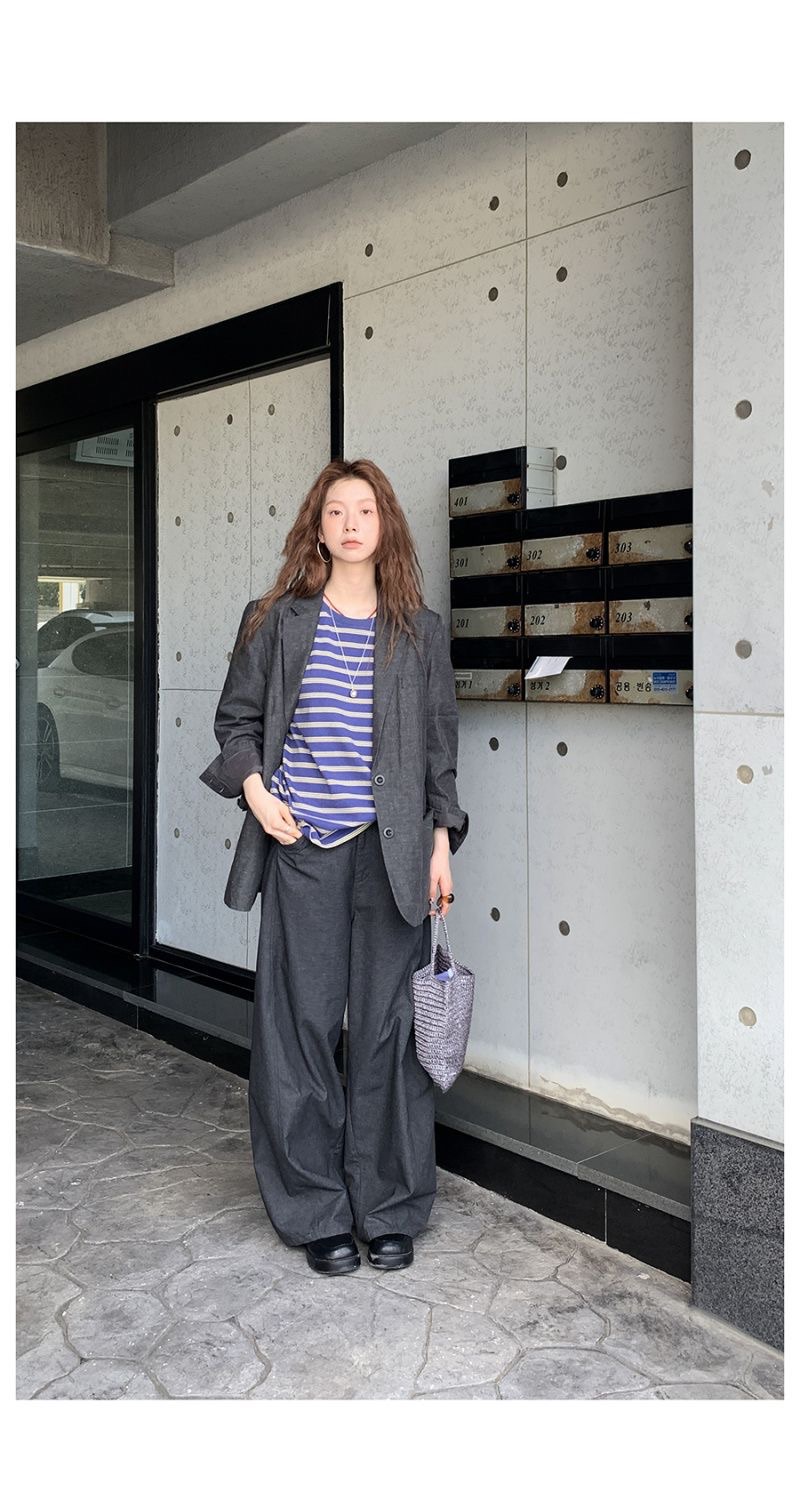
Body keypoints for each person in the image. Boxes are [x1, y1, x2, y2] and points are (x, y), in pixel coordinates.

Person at [201, 458, 469, 1276]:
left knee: (389, 1032)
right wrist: (257, 794)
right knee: (300, 1030)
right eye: (336, 511)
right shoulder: (274, 620)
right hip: (304, 851)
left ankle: (388, 1205)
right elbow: (236, 723)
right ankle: (315, 1207)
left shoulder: (419, 631)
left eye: (365, 510)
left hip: (393, 857)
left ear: (385, 525)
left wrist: (441, 842)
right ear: (316, 528)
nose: (351, 523)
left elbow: (440, 752)